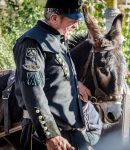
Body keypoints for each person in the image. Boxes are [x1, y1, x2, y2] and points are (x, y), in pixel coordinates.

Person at [13, 0, 102, 149]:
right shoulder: (32, 43)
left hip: (71, 131)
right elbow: (33, 92)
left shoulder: (57, 39)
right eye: (72, 21)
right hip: (45, 136)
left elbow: (55, 77)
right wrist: (51, 135)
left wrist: (75, 84)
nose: (76, 26)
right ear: (54, 18)